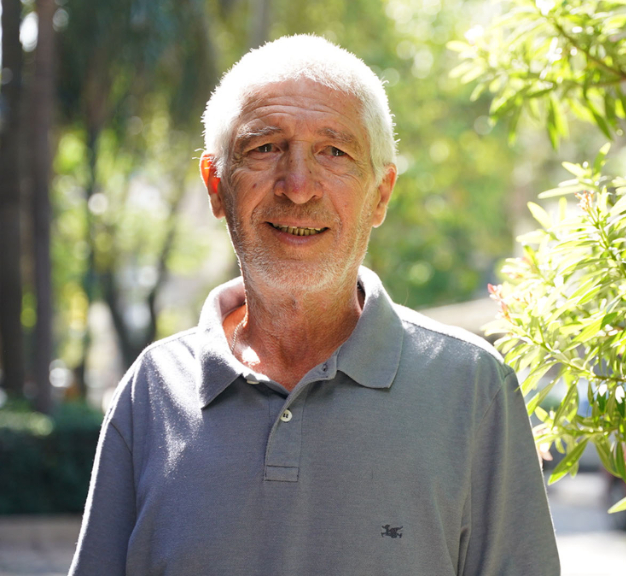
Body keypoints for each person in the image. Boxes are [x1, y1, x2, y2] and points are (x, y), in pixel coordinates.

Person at [68, 34, 560, 575]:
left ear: (380, 194)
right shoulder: (152, 393)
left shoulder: (472, 389)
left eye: (334, 152)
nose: (298, 186)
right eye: (264, 147)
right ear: (216, 185)